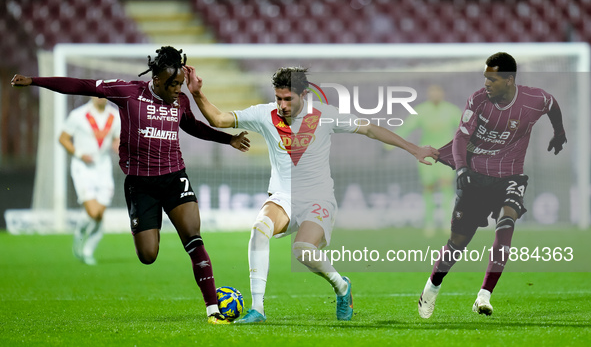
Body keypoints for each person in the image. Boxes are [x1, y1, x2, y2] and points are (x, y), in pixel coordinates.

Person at [11, 46, 251, 325]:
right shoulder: (128, 92)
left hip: (174, 177)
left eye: (180, 84)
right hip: (141, 184)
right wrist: (35, 81)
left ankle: (213, 309)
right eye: (172, 84)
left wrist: (228, 139)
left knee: (194, 238)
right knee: (148, 255)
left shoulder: (181, 100)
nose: (177, 89)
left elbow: (193, 126)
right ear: (157, 79)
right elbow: (82, 85)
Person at [184, 65, 439, 324]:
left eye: (288, 99)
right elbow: (219, 119)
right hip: (283, 197)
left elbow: (371, 129)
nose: (282, 105)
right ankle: (258, 309)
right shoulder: (264, 114)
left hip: (318, 198)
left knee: (303, 250)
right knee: (259, 228)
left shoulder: (324, 116)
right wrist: (196, 94)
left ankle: (342, 287)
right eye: (278, 98)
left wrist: (414, 149)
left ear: (304, 95)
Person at [417, 52, 567, 318]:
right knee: (458, 243)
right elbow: (460, 138)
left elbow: (552, 104)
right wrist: (462, 168)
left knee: (507, 221)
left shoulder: (533, 99)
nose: (487, 83)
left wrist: (559, 132)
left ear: (509, 80)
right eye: (486, 77)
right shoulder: (478, 100)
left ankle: (484, 295)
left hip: (510, 176)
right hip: (475, 175)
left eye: (493, 79)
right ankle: (432, 286)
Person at [387, 84, 462, 236]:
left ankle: (448, 222)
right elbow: (406, 127)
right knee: (428, 188)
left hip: (446, 155)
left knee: (446, 186)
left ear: (443, 94)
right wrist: (388, 145)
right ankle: (429, 223)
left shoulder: (451, 110)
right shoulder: (421, 111)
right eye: (432, 92)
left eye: (437, 91)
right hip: (426, 154)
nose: (434, 95)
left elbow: (466, 128)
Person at [58, 96, 121, 265]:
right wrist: (79, 154)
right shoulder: (78, 115)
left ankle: (88, 251)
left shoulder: (115, 116)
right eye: (97, 93)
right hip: (82, 168)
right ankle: (80, 234)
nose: (100, 97)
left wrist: (118, 146)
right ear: (91, 95)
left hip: (103, 167)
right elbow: (63, 138)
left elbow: (116, 138)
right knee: (93, 212)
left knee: (99, 214)